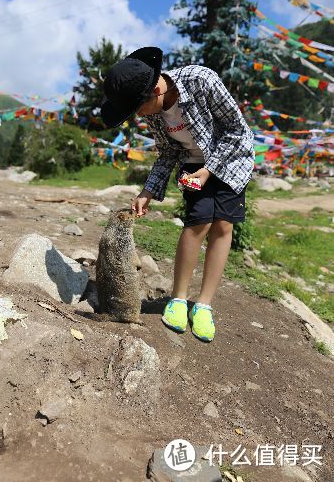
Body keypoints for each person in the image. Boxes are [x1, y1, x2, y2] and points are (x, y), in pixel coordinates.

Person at [101, 47, 254, 342]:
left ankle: (204, 305)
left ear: (155, 90)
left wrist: (211, 170)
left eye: (137, 109)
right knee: (198, 222)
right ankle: (179, 298)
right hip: (192, 165)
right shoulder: (155, 112)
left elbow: (237, 129)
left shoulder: (201, 81)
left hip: (231, 158)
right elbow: (168, 151)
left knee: (223, 225)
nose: (138, 116)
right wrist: (148, 190)